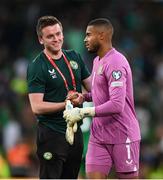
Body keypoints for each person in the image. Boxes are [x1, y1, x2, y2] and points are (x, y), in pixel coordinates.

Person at [64, 18, 141, 179]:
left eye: (88, 35)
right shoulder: (97, 61)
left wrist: (83, 112)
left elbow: (116, 104)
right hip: (99, 136)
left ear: (102, 36)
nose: (84, 39)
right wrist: (83, 97)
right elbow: (100, 94)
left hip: (123, 135)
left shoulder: (116, 62)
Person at [26, 15, 91, 179]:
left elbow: (94, 89)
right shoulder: (37, 66)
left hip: (75, 134)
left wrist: (82, 98)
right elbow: (36, 107)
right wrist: (66, 103)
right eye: (50, 36)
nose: (56, 39)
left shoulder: (74, 57)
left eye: (58, 34)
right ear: (41, 40)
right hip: (51, 134)